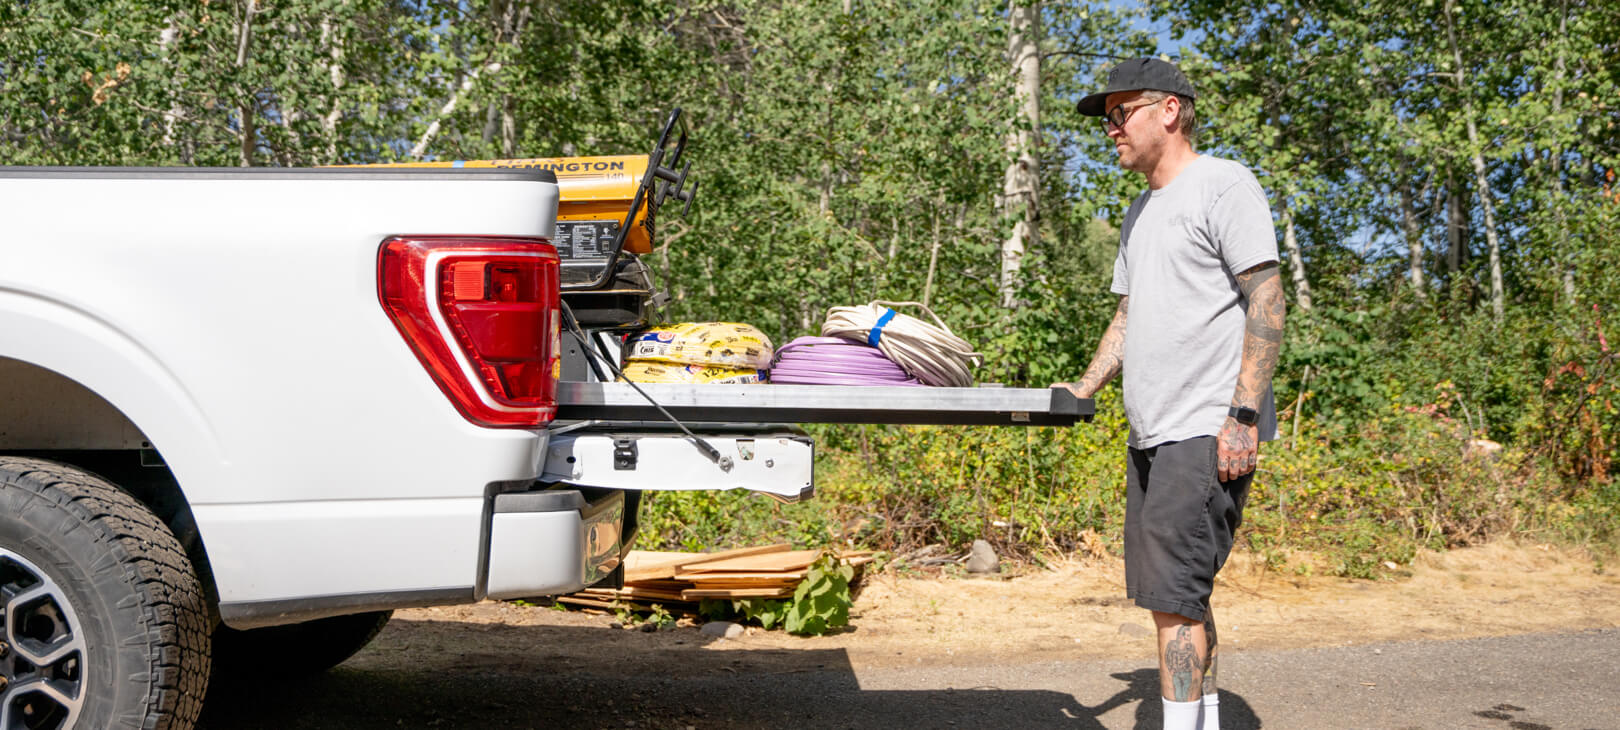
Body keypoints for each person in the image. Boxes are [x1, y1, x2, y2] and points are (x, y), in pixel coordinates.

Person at [1057, 57, 1286, 730]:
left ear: (1169, 111)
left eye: (1118, 113)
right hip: (1150, 432)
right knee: (1181, 594)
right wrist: (1087, 383)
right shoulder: (1141, 211)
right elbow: (1129, 316)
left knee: (1173, 602)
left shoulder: (1222, 184)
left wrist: (1242, 416)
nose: (1109, 129)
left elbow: (1267, 297)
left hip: (1203, 427)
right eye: (1105, 119)